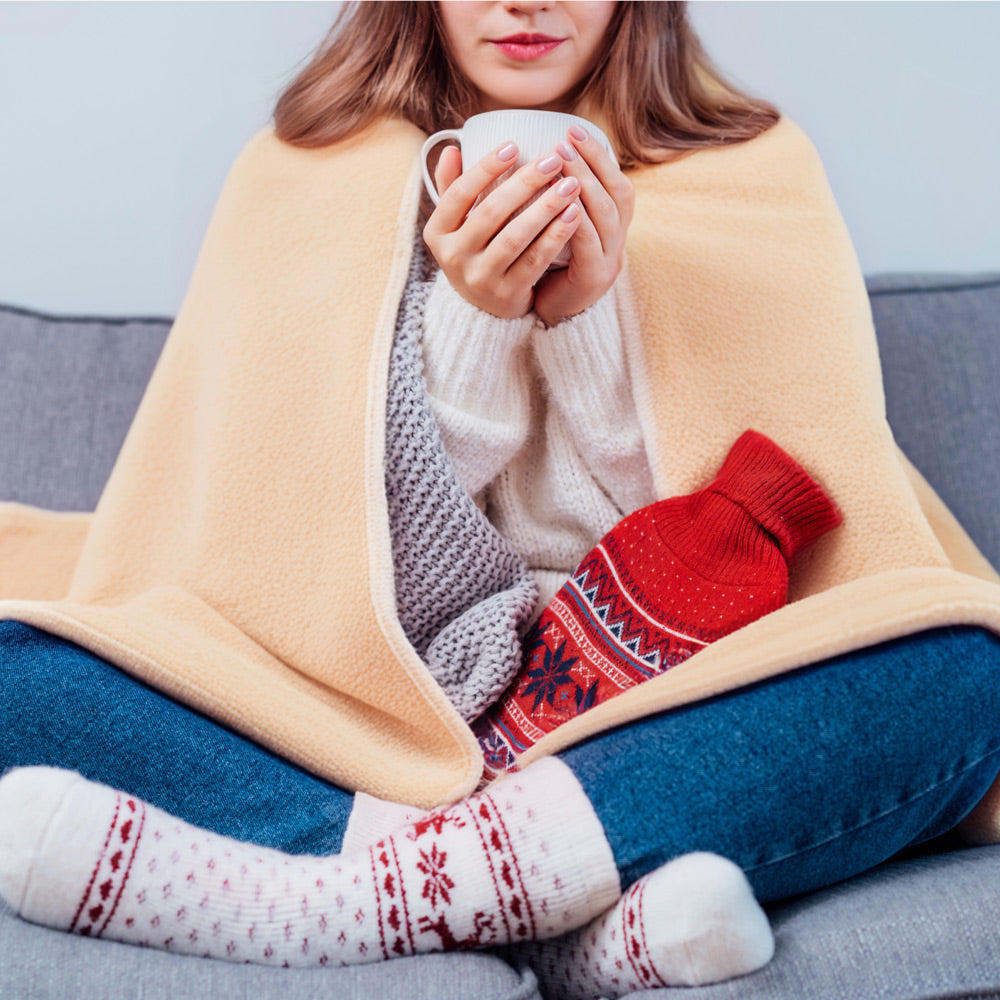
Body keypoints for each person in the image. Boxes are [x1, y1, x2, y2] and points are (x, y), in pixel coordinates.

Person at [3, 2, 1000, 996]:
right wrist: (470, 337)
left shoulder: (756, 170)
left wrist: (588, 328)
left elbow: (748, 565)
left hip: (645, 712)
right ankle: (556, 910)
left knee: (966, 672)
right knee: (22, 672)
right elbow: (295, 576)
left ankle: (353, 895)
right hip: (353, 721)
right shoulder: (297, 171)